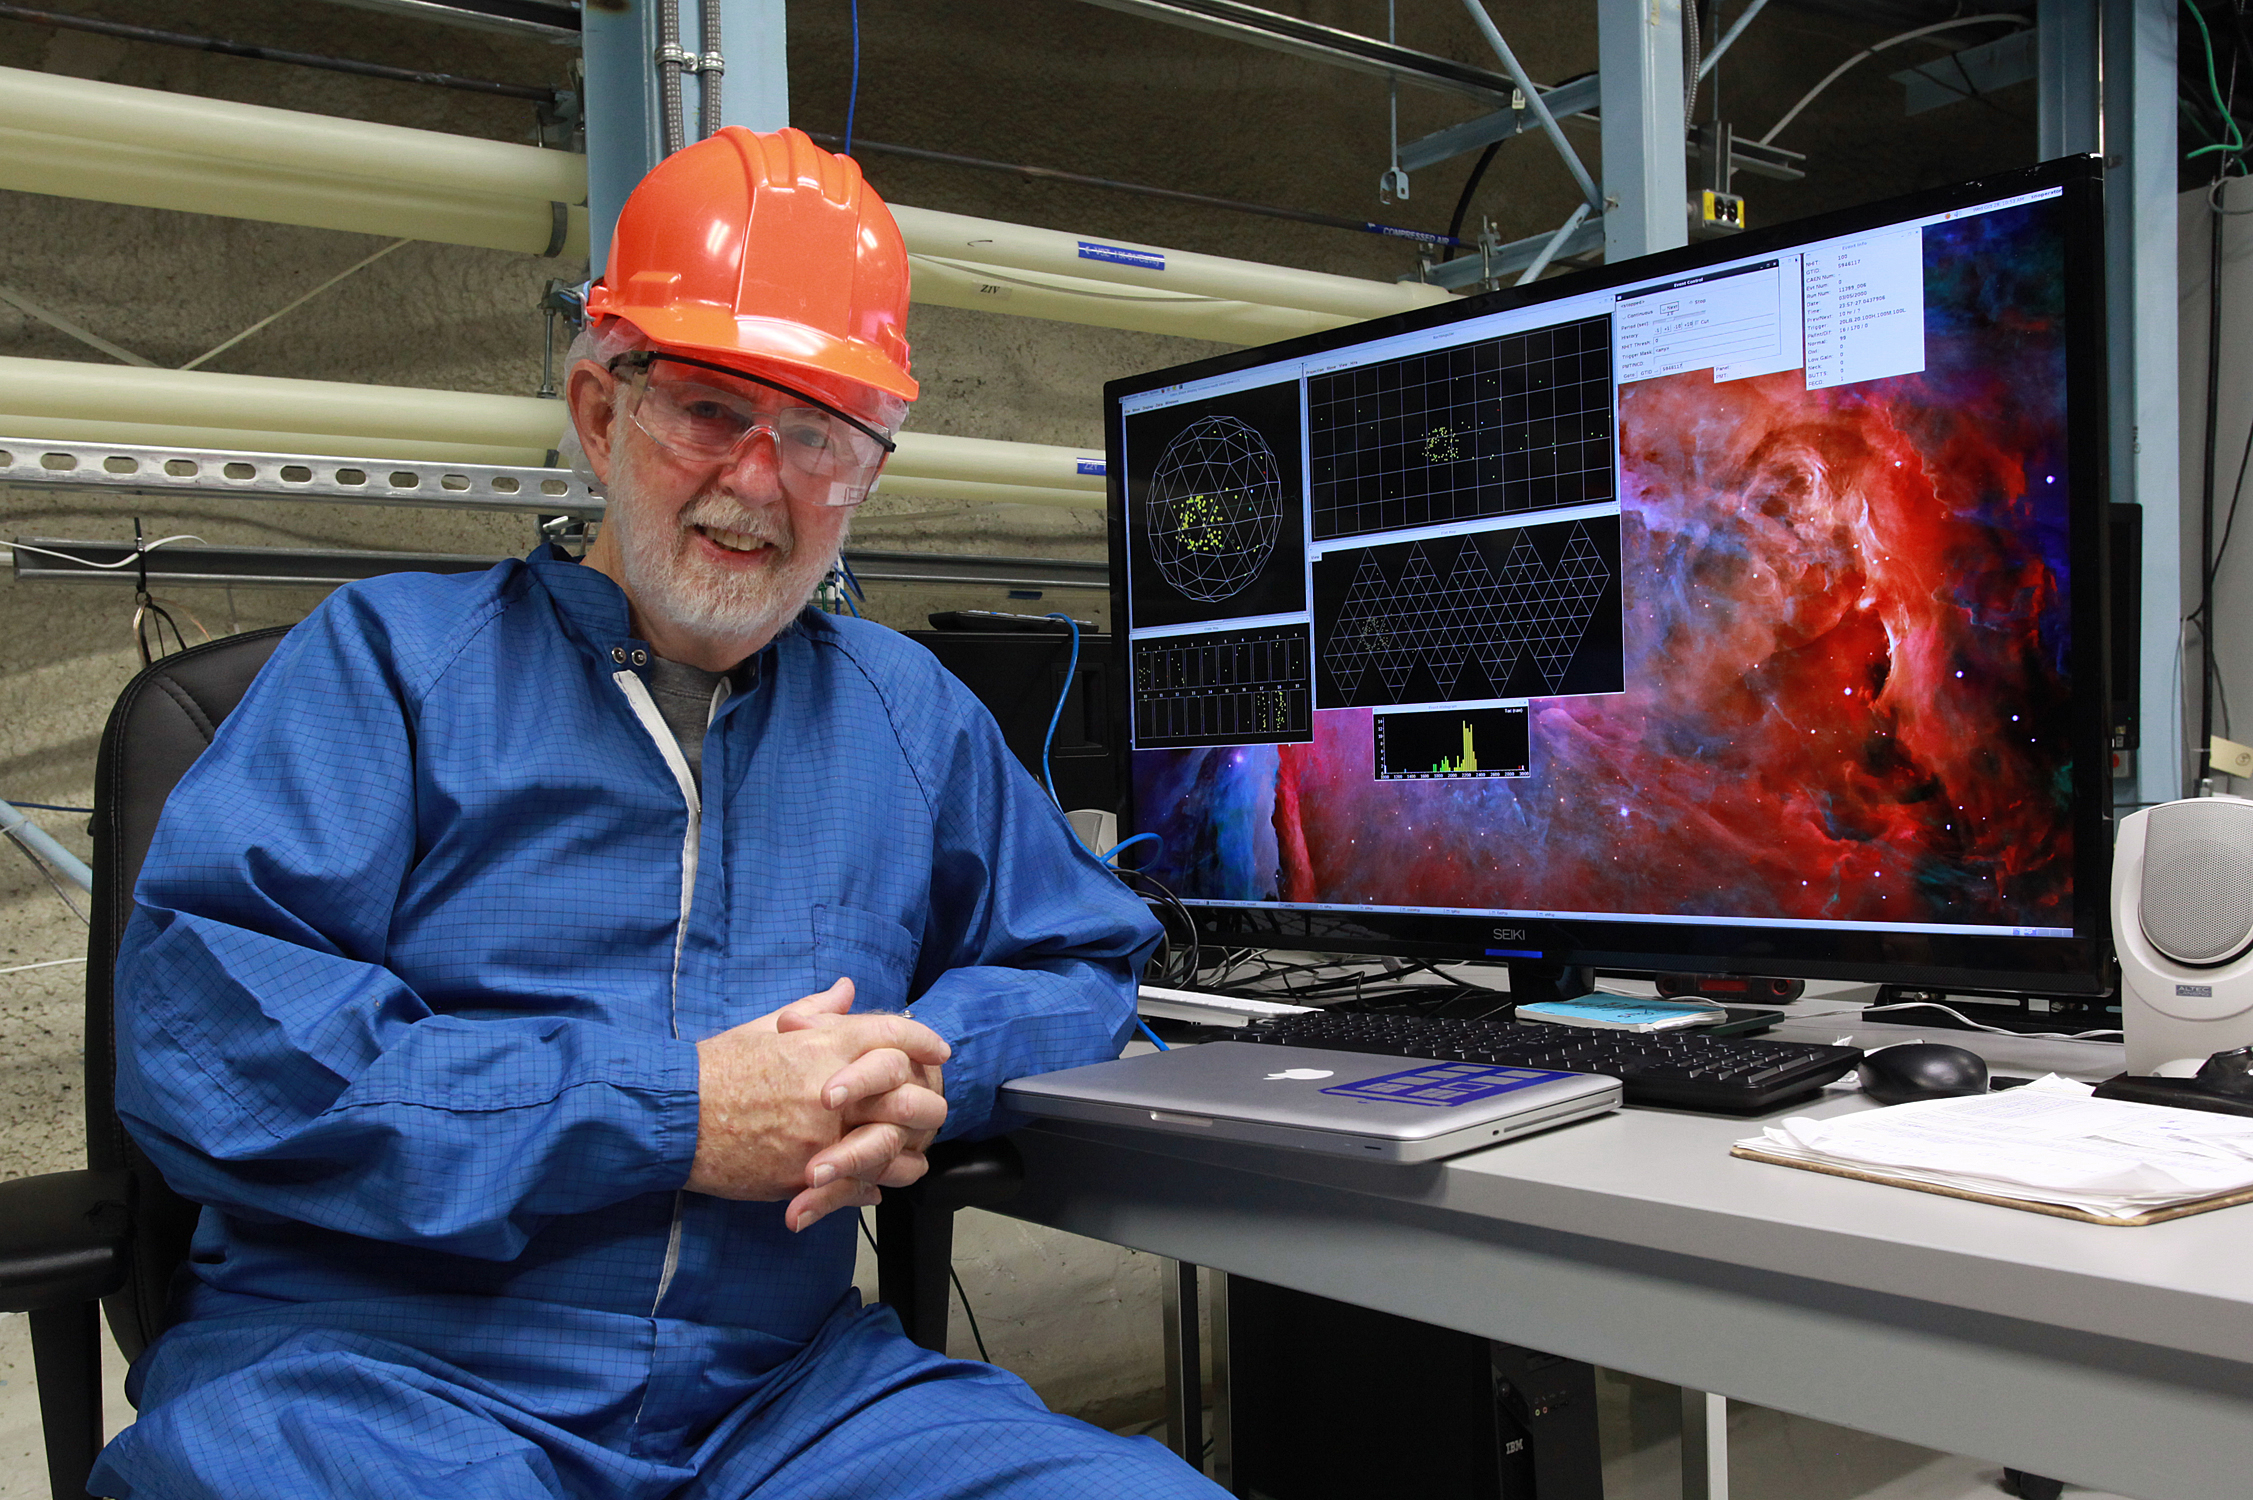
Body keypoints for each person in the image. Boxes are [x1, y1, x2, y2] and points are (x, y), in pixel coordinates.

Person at [90, 126, 1223, 1500]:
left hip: (788, 1400)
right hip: (377, 1379)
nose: (759, 478)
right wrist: (672, 1112)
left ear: (865, 474)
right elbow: (211, 1045)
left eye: (818, 434)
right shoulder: (388, 665)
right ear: (598, 410)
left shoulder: (904, 715)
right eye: (708, 407)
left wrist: (928, 1062)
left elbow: (1087, 965)